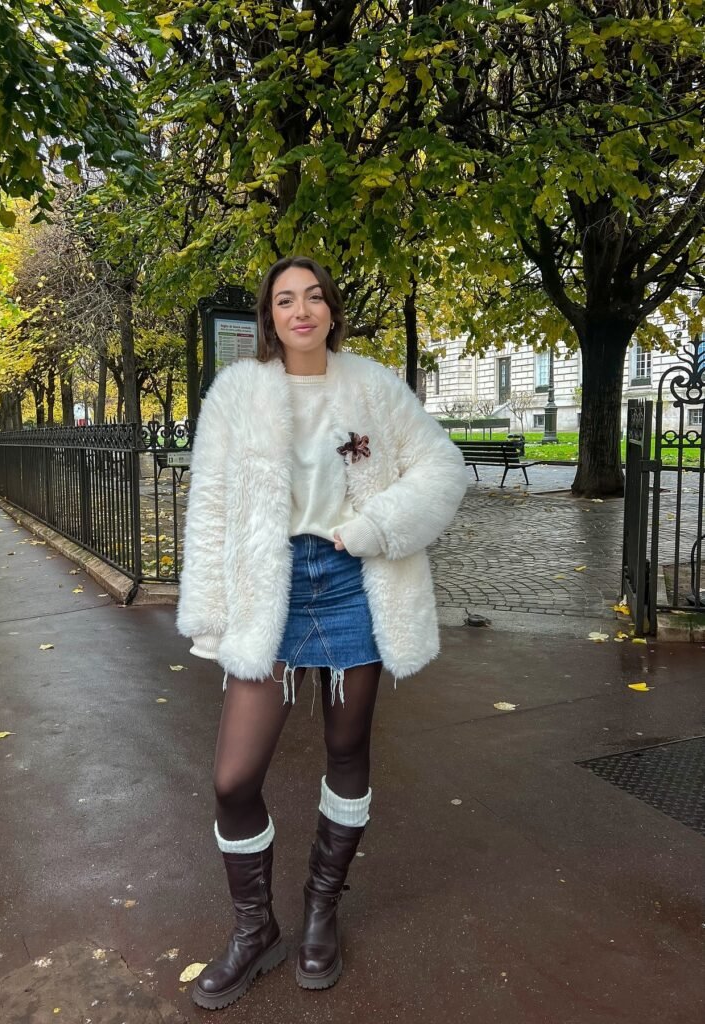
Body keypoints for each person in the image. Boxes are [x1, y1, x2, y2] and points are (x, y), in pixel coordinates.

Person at [177, 256, 468, 1010]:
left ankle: (318, 911)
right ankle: (254, 930)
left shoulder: (371, 386)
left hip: (349, 582)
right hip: (266, 588)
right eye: (283, 300)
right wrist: (209, 616)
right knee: (233, 779)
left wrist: (373, 526)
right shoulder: (237, 394)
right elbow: (208, 508)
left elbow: (440, 467)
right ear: (267, 317)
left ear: (331, 310)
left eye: (312, 297)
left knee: (346, 751)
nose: (299, 310)